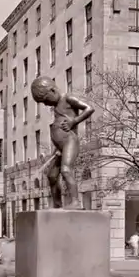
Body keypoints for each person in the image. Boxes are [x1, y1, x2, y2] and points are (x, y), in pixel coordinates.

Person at [31, 76, 94, 209]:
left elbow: (89, 108)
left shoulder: (68, 99)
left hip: (70, 141)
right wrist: (57, 148)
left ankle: (75, 202)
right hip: (60, 147)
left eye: (46, 100)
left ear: (53, 91)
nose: (45, 104)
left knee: (66, 170)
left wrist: (74, 121)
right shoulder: (56, 106)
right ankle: (57, 205)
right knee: (52, 175)